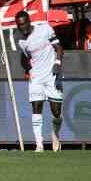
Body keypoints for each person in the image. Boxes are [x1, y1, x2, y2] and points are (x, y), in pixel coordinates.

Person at [15, 10, 63, 153]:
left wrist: (58, 63)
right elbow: (25, 58)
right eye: (19, 25)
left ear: (29, 21)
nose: (22, 27)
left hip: (51, 76)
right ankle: (39, 145)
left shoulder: (45, 29)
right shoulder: (22, 42)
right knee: (36, 108)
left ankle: (55, 134)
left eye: (24, 24)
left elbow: (59, 48)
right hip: (36, 77)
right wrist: (27, 70)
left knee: (56, 112)